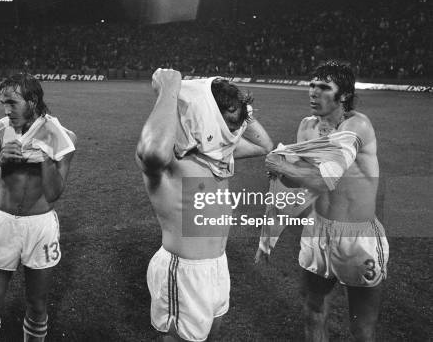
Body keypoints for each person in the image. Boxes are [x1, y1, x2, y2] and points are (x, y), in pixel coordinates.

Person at [136, 69, 274, 342]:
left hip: (217, 266)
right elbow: (152, 151)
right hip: (184, 271)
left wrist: (243, 112)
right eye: (229, 126)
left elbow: (265, 146)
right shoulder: (171, 160)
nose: (234, 134)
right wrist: (170, 90)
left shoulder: (218, 153)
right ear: (206, 119)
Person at [261, 60, 389, 341]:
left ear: (343, 95)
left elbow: (325, 179)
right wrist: (281, 173)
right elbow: (303, 179)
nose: (313, 93)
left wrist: (283, 166)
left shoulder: (357, 126)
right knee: (313, 310)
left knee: (361, 329)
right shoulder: (307, 127)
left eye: (323, 87)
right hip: (317, 232)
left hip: (358, 238)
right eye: (311, 85)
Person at [0, 73, 76, 342]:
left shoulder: (61, 136)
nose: (6, 110)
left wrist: (46, 158)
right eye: (3, 103)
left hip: (39, 227)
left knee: (37, 305)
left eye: (12, 103)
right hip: (2, 224)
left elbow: (54, 193)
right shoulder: (2, 128)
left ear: (33, 100)